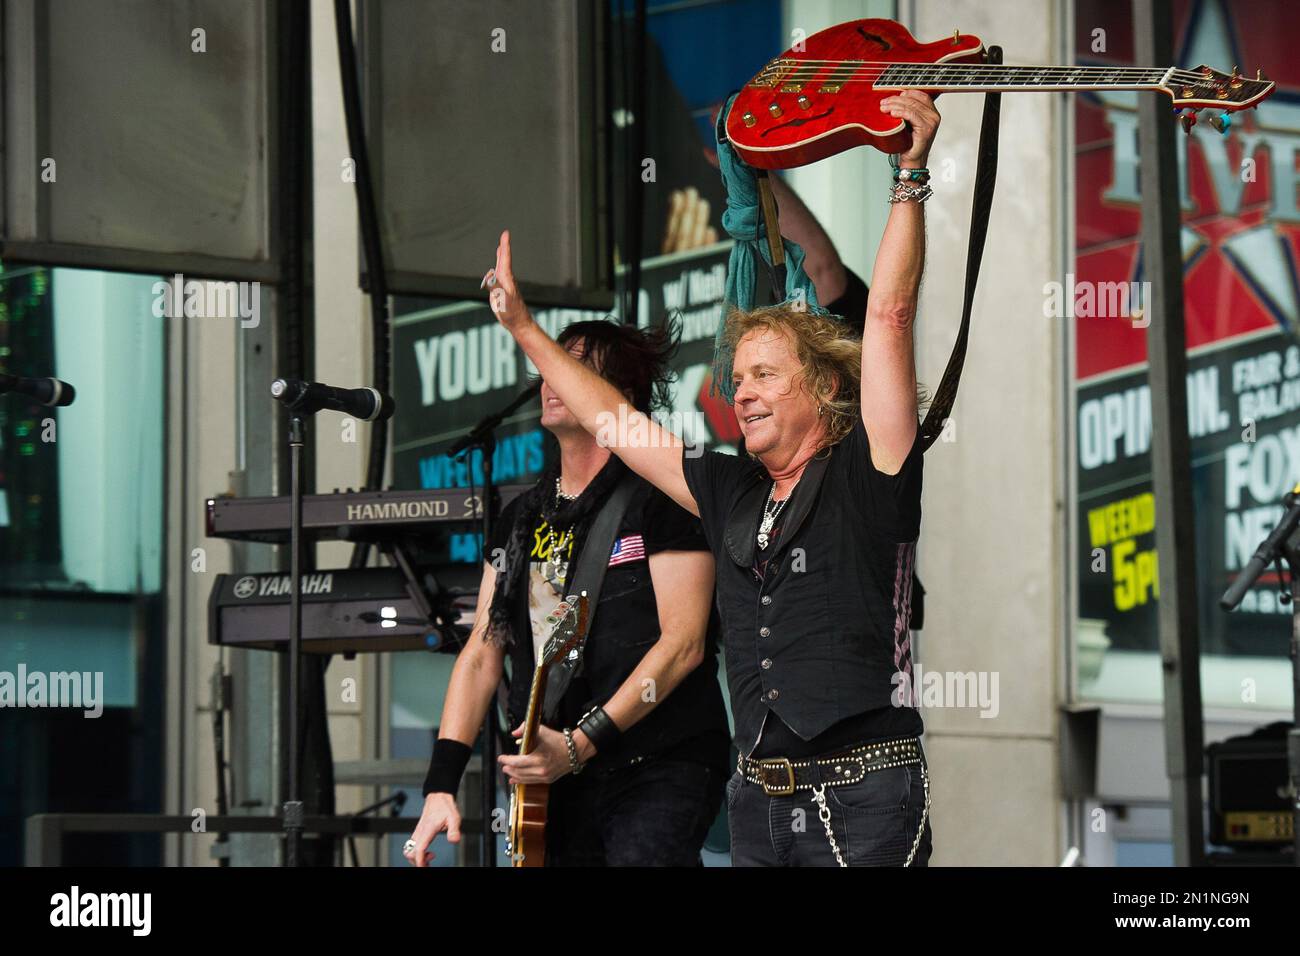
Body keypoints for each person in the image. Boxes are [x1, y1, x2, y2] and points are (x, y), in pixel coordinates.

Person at [483, 90, 942, 867]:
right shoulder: (732, 488)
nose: (745, 391)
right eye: (739, 377)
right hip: (758, 797)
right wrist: (525, 330)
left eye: (766, 374)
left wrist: (910, 175)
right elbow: (616, 426)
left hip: (865, 792)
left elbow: (890, 315)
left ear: (826, 390)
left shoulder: (872, 466)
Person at [404, 319, 730, 867]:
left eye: (574, 368)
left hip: (658, 763)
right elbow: (483, 651)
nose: (551, 381)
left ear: (617, 397)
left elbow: (683, 646)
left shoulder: (663, 499)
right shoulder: (523, 517)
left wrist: (581, 743)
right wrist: (441, 785)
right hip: (553, 778)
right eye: (548, 366)